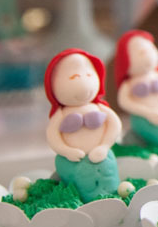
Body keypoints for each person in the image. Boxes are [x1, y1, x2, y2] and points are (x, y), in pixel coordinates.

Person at [44, 49, 122, 202]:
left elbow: (115, 125)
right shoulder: (61, 115)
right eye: (74, 77)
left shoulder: (100, 108)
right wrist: (66, 151)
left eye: (89, 75)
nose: (84, 82)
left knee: (108, 170)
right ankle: (87, 200)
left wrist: (104, 146)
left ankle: (111, 196)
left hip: (101, 154)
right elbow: (52, 136)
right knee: (81, 177)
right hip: (72, 160)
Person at [115, 30, 158, 149]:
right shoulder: (128, 85)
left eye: (151, 48)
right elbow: (124, 101)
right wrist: (147, 112)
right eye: (141, 52)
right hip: (142, 118)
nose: (148, 54)